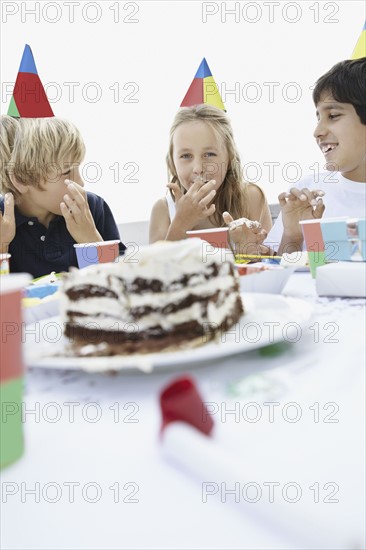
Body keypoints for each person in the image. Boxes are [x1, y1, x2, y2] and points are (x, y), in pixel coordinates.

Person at [0, 116, 125, 278]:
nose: (80, 182)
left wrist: (90, 238)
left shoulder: (92, 208)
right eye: (67, 172)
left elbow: (119, 283)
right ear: (21, 179)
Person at [265, 57, 366, 255]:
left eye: (333, 116)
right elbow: (278, 272)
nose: (317, 131)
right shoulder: (307, 192)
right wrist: (293, 236)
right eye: (318, 117)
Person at [149, 105, 272, 252]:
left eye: (209, 154)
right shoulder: (163, 210)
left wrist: (251, 251)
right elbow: (155, 270)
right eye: (186, 156)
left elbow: (272, 262)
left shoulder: (250, 197)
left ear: (230, 157)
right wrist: (180, 224)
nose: (198, 168)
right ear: (172, 163)